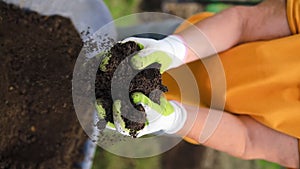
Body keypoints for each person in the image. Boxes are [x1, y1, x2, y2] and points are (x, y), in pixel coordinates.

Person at [107, 0, 300, 168]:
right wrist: (174, 49)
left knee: (93, 116)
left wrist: (175, 118)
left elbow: (249, 140)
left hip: (190, 113)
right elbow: (244, 23)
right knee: (93, 46)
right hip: (187, 42)